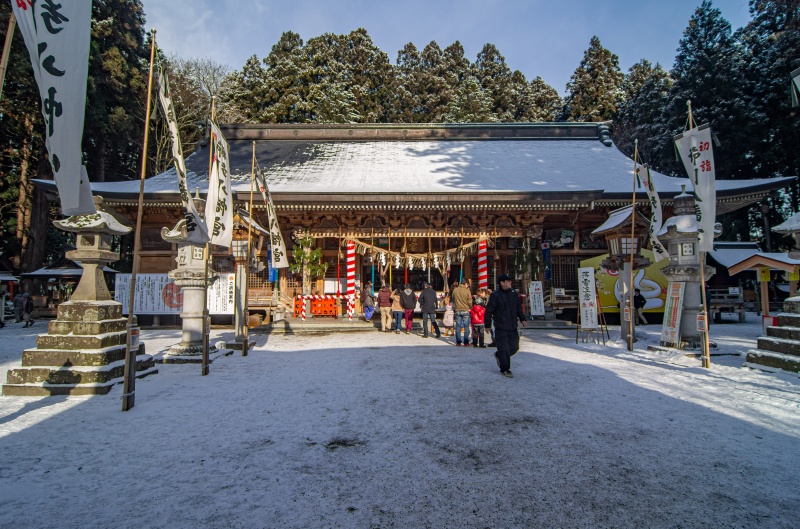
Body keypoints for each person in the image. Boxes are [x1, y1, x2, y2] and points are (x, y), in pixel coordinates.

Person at [484, 274, 527, 378]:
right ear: (502, 283)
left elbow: (518, 307)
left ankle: (499, 356)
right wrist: (488, 325)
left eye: (510, 281)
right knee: (504, 349)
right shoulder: (495, 295)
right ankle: (505, 369)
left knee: (514, 347)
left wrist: (522, 318)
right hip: (500, 326)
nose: (510, 283)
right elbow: (489, 311)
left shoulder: (513, 293)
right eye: (507, 281)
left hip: (512, 325)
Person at [451, 278, 472, 346]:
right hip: (465, 309)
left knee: (458, 326)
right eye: (467, 284)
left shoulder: (455, 290)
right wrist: (470, 307)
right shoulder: (467, 291)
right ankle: (466, 342)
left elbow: (453, 299)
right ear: (465, 283)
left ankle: (458, 341)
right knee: (466, 327)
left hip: (457, 310)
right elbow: (470, 301)